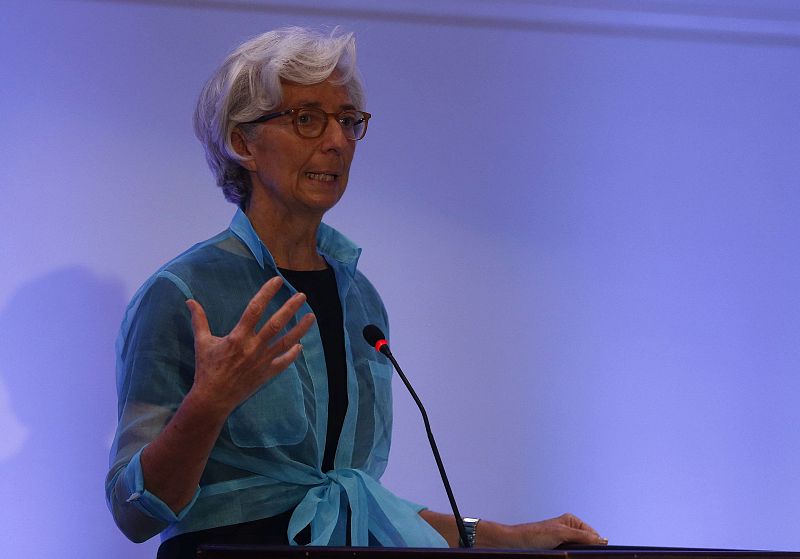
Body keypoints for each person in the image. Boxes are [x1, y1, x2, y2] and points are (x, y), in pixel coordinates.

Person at [105, 26, 608, 558]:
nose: (337, 141)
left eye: (347, 121)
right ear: (242, 142)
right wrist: (208, 404)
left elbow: (352, 504)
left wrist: (509, 537)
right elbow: (132, 513)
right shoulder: (182, 293)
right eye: (307, 119)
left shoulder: (361, 301)